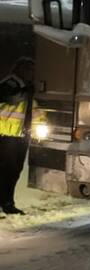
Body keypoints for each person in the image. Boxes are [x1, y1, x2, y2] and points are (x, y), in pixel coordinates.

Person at [0, 57, 38, 215]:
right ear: (19, 69)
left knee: (14, 171)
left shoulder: (27, 87)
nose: (31, 73)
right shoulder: (10, 83)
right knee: (5, 171)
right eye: (28, 69)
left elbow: (34, 111)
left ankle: (7, 203)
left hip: (19, 137)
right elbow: (9, 98)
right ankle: (6, 203)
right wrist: (25, 92)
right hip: (5, 135)